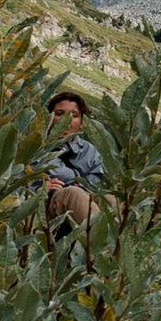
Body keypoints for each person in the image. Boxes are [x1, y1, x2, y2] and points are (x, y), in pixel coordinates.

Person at [44, 89, 105, 233]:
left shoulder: (89, 151)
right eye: (59, 114)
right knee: (74, 193)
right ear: (49, 118)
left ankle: (117, 247)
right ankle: (101, 247)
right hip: (47, 200)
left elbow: (94, 184)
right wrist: (40, 188)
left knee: (109, 199)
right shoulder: (33, 144)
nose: (66, 119)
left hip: (82, 201)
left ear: (82, 123)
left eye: (73, 115)